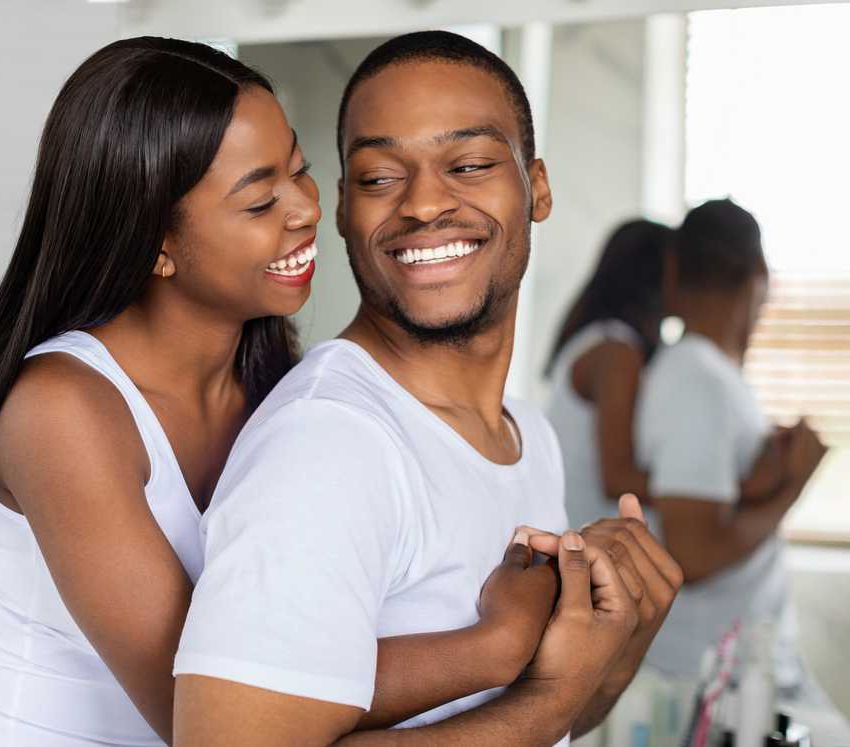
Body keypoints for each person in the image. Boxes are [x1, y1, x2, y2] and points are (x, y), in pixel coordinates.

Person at [0, 37, 566, 747]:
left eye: (300, 171)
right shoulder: (63, 409)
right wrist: (496, 647)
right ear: (155, 244)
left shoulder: (277, 388)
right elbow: (206, 700)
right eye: (259, 201)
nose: (306, 210)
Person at [173, 31, 683, 746]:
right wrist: (551, 695)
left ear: (536, 187)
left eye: (468, 165)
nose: (423, 203)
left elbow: (532, 719)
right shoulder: (329, 442)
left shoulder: (528, 436)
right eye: (380, 178)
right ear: (344, 208)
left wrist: (617, 642)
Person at [628, 199, 849, 743]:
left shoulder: (715, 379)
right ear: (760, 278)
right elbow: (693, 554)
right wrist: (794, 483)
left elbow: (713, 512)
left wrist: (767, 473)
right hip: (718, 688)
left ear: (675, 273)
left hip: (746, 673)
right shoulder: (696, 380)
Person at [544, 219, 784, 530]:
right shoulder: (615, 353)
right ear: (663, 276)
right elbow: (617, 478)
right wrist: (740, 488)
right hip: (579, 536)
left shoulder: (616, 345)